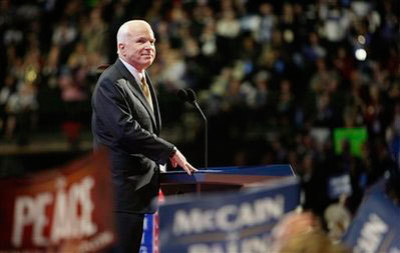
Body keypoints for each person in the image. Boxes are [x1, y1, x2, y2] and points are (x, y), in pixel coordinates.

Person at [91, 20, 197, 253]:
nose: (149, 46)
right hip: (120, 194)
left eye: (152, 41)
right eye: (141, 41)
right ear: (121, 48)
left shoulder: (142, 77)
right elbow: (125, 130)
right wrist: (168, 150)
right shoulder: (110, 82)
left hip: (139, 192)